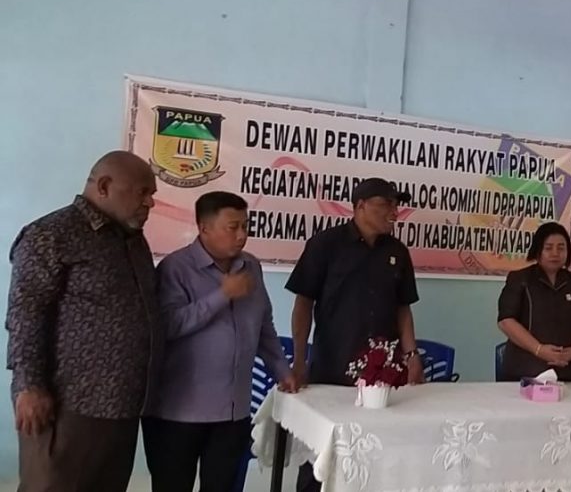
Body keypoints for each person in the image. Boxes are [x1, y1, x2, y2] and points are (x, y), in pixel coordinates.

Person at [6, 151, 162, 492]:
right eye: (142, 192)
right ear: (104, 186)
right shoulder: (50, 235)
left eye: (152, 194)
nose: (150, 202)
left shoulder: (133, 240)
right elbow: (26, 313)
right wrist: (30, 386)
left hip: (123, 406)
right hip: (67, 406)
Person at [143, 191, 298, 492]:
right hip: (178, 413)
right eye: (232, 227)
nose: (242, 235)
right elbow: (167, 326)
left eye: (245, 226)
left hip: (232, 412)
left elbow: (264, 325)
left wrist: (282, 369)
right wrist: (222, 295)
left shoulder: (250, 267)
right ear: (204, 228)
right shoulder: (176, 268)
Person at [286, 177, 424, 492]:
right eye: (385, 204)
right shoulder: (325, 245)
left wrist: (412, 355)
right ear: (360, 206)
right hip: (332, 367)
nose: (394, 211)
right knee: (321, 457)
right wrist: (299, 360)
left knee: (377, 453)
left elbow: (403, 307)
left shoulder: (397, 251)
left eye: (396, 205)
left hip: (383, 374)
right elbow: (303, 304)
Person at [497, 221, 571, 382]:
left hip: (565, 373)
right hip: (523, 372)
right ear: (538, 250)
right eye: (548, 248)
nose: (555, 253)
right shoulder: (520, 279)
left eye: (561, 248)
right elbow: (506, 321)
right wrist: (539, 349)